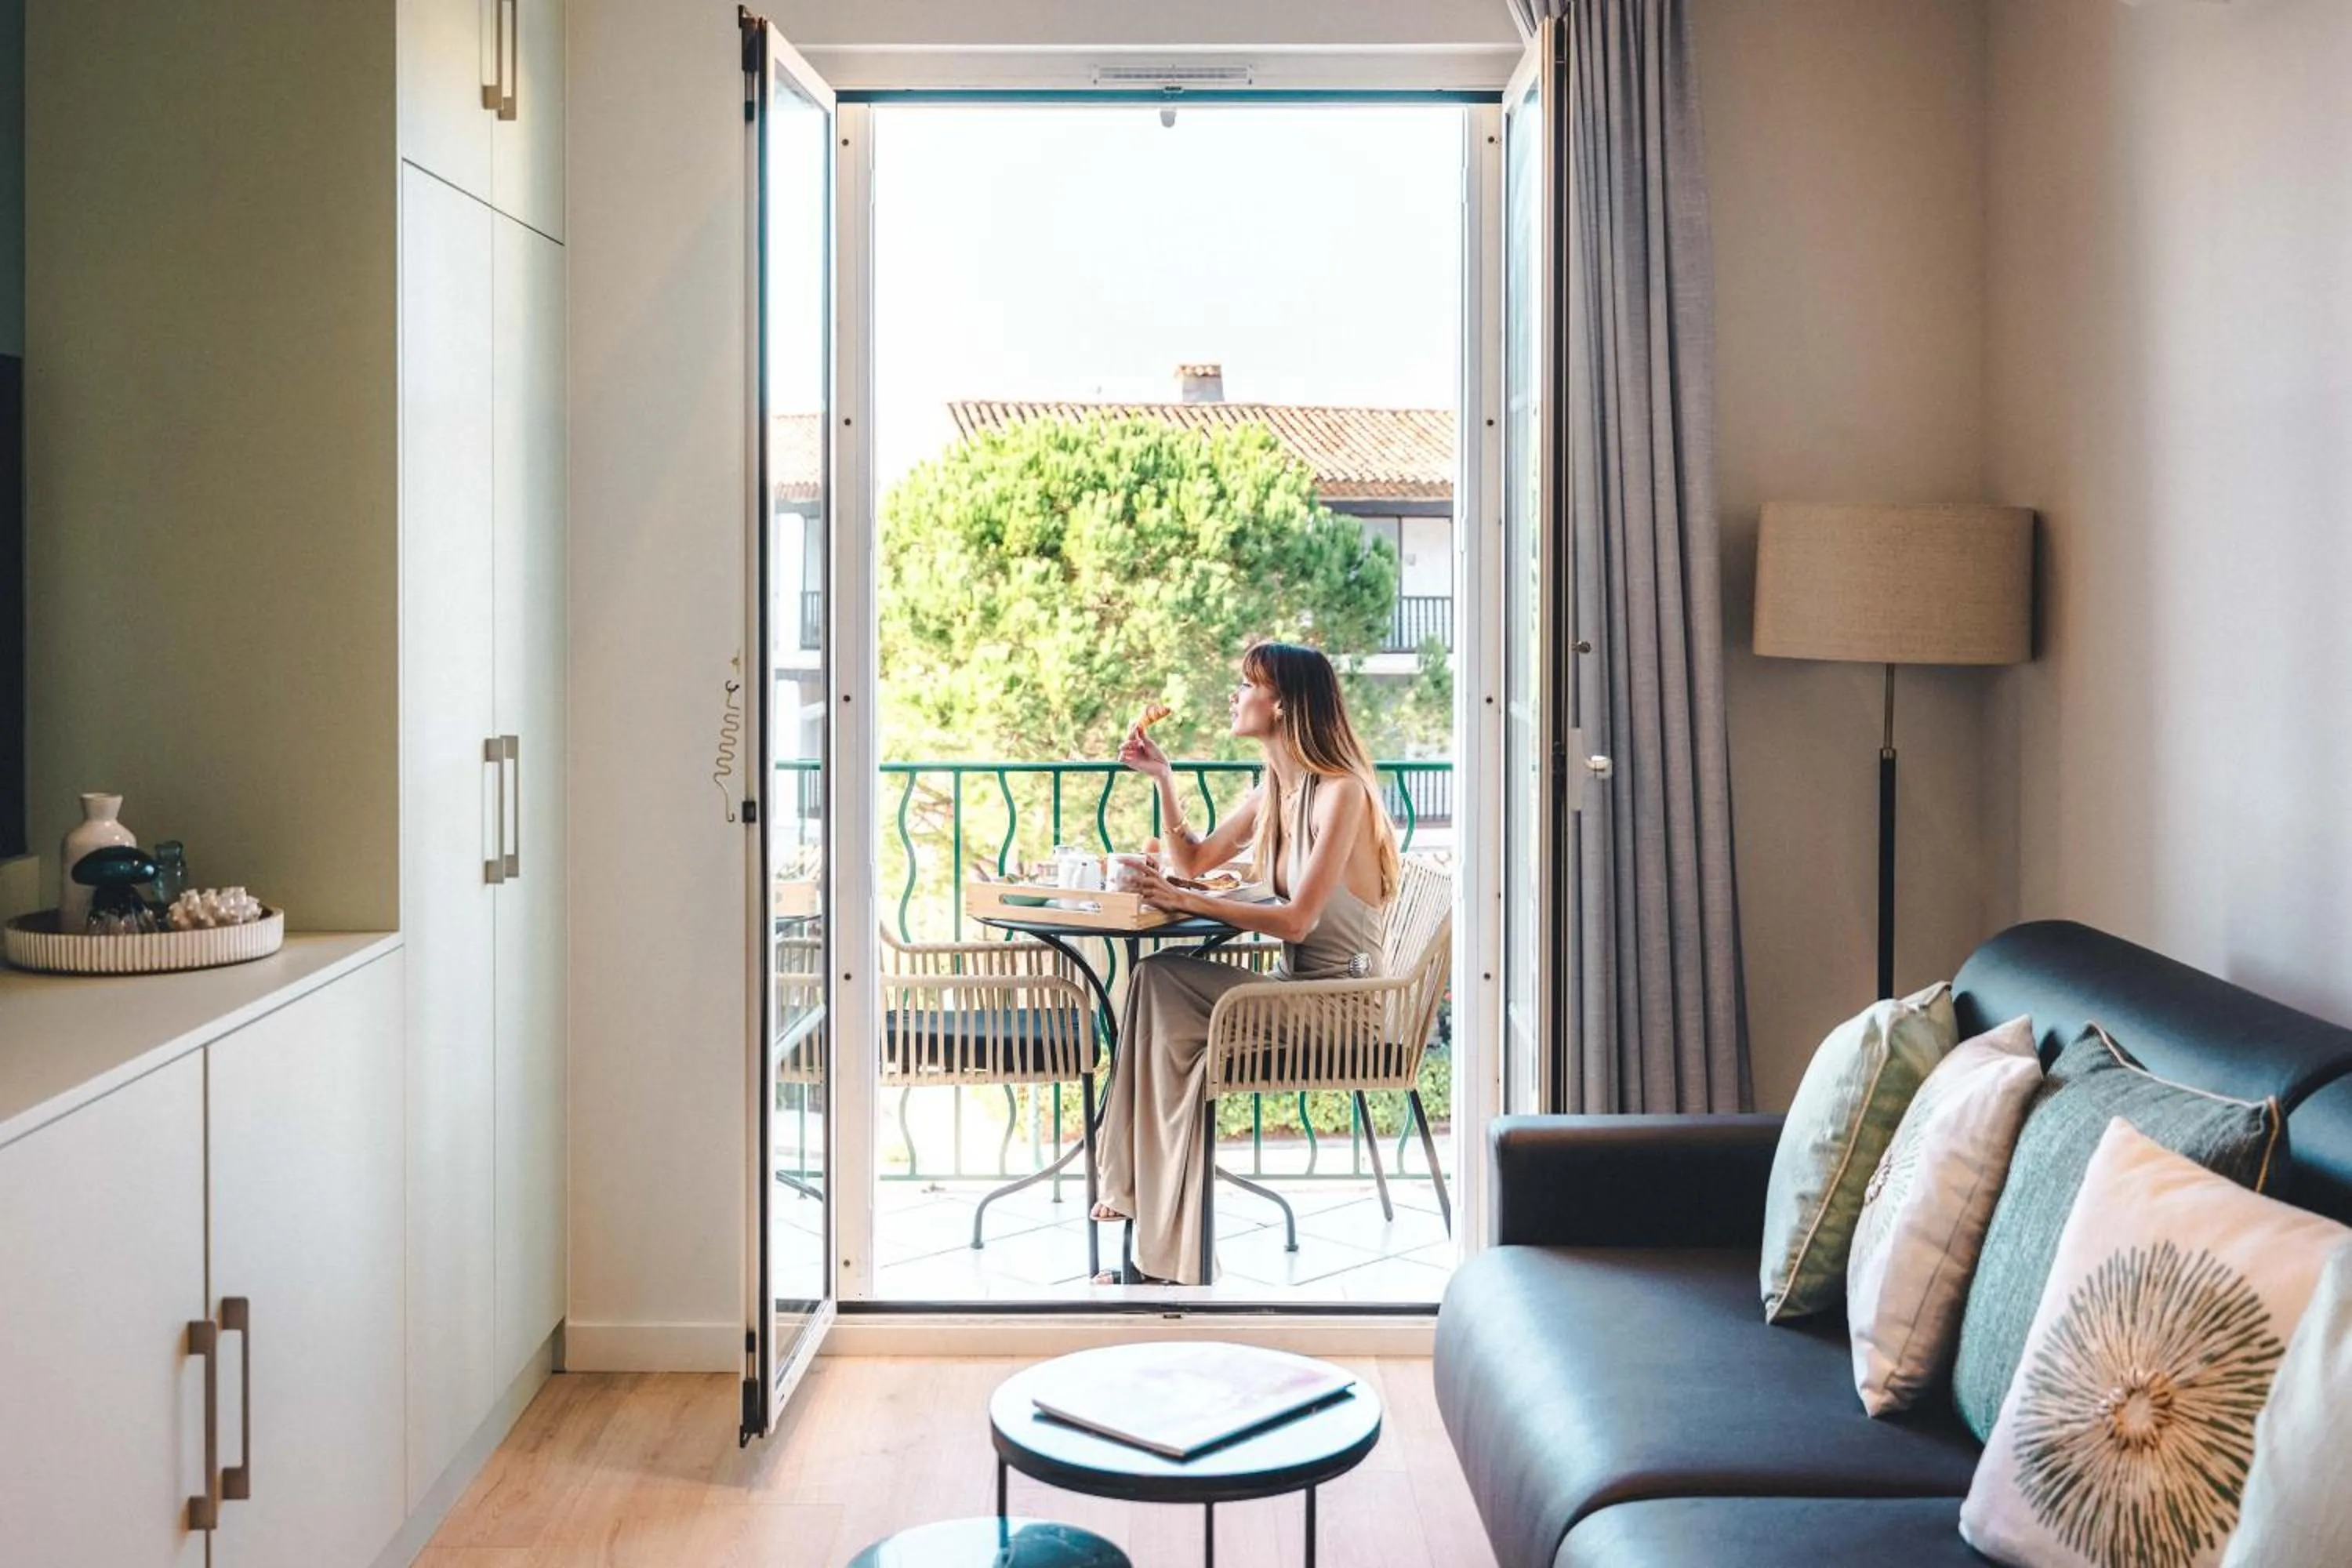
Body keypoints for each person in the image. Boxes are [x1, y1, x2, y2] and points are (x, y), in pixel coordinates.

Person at [1092, 641, 1401, 1285]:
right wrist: (1165, 780)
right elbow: (1195, 863)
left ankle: (1156, 1237)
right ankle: (1136, 1205)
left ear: (1282, 702)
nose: (1235, 695)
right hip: (1294, 994)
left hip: (1340, 1013)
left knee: (1169, 1003)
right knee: (1156, 980)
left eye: (1245, 685)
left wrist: (1179, 899)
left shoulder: (1340, 793)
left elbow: (1297, 921)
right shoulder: (1281, 787)